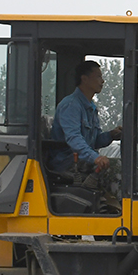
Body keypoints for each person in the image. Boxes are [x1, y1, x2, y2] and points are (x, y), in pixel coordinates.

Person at [51, 59, 120, 207]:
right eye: (98, 77)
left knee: (127, 165)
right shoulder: (71, 105)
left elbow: (94, 141)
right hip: (67, 162)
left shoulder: (91, 107)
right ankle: (128, 212)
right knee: (118, 169)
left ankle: (112, 207)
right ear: (84, 79)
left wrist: (111, 135)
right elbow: (74, 139)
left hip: (81, 160)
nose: (102, 81)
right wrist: (96, 158)